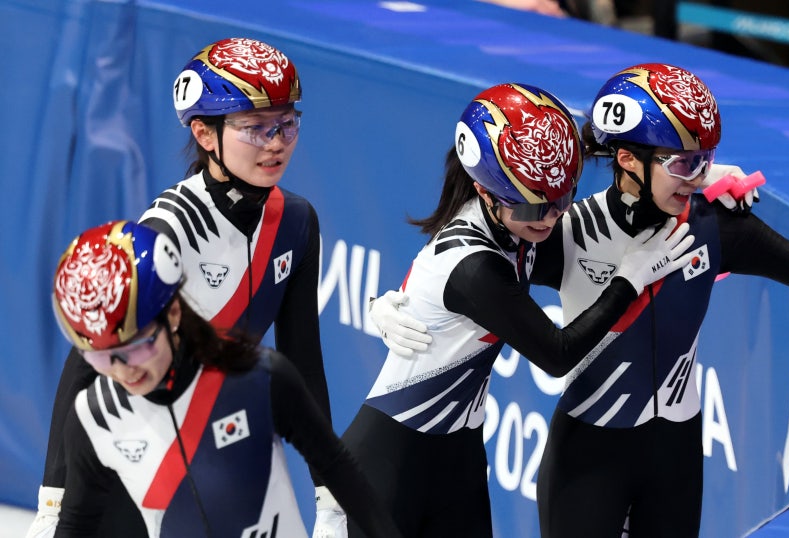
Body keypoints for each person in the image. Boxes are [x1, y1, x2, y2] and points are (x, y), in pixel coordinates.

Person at [340, 81, 697, 538]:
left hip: (460, 457)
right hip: (388, 461)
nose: (549, 218)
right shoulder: (475, 267)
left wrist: (702, 171)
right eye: (533, 207)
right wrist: (628, 280)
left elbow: (613, 150)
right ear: (484, 191)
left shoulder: (511, 222)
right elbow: (558, 353)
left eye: (561, 200)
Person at [529, 63, 789, 537]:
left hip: (675, 454)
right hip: (589, 455)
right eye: (684, 163)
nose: (697, 177)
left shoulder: (714, 224)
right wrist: (406, 299)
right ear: (627, 160)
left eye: (705, 160)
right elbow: (480, 271)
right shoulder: (569, 232)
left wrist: (689, 173)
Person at [28, 37, 338, 538]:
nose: (277, 141)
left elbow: (304, 360)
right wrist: (53, 501)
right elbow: (87, 360)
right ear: (205, 133)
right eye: (255, 128)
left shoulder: (298, 221)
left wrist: (329, 497)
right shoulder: (170, 228)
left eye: (287, 123)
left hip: (221, 442)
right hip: (133, 452)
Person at [47, 220, 403, 538]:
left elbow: (338, 468)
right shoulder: (93, 418)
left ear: (172, 312)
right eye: (101, 357)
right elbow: (77, 524)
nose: (124, 370)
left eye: (138, 346)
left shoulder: (259, 377)